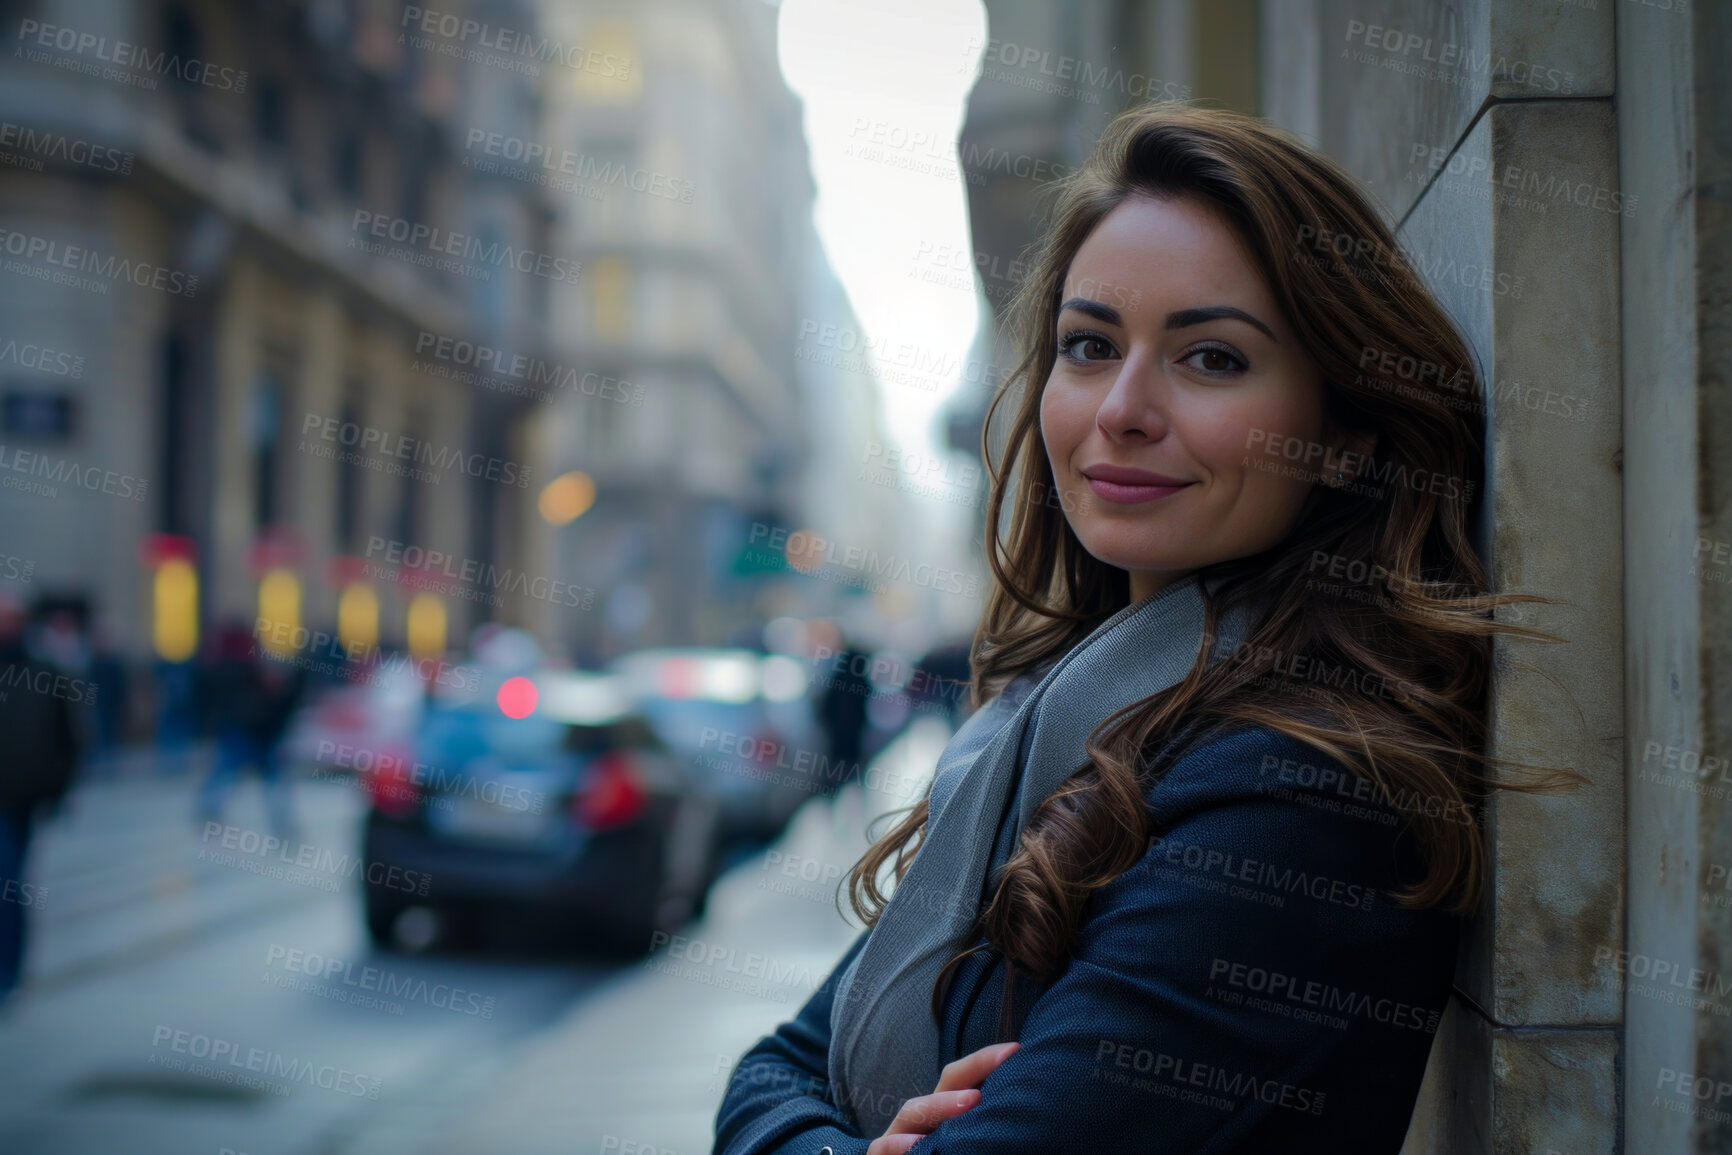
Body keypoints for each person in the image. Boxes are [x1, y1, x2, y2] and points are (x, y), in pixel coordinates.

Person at [713, 105, 1570, 1154]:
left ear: (1345, 437)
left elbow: (779, 1098)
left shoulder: (1301, 789)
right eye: (1089, 346)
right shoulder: (1045, 729)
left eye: (1210, 358)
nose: (1121, 407)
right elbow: (769, 1070)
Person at [0, 594, 81, 1004]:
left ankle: (8, 971)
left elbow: (69, 735)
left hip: (18, 798)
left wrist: (59, 789)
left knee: (8, 881)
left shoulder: (43, 671)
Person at [195, 622, 304, 836]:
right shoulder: (245, 682)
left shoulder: (285, 695)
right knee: (225, 771)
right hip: (242, 734)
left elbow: (282, 722)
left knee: (274, 781)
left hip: (265, 739)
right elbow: (234, 709)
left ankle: (282, 821)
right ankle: (209, 809)